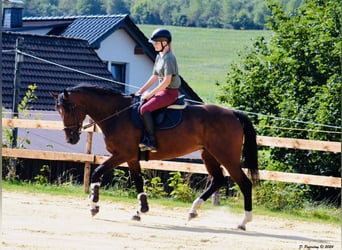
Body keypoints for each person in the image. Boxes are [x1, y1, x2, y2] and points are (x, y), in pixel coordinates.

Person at [136, 28, 181, 152]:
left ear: (164, 43)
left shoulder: (169, 58)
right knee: (140, 103)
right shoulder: (159, 57)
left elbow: (166, 82)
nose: (154, 45)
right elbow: (154, 77)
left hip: (170, 93)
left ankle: (151, 141)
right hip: (162, 91)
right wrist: (141, 91)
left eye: (156, 43)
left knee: (144, 109)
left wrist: (150, 94)